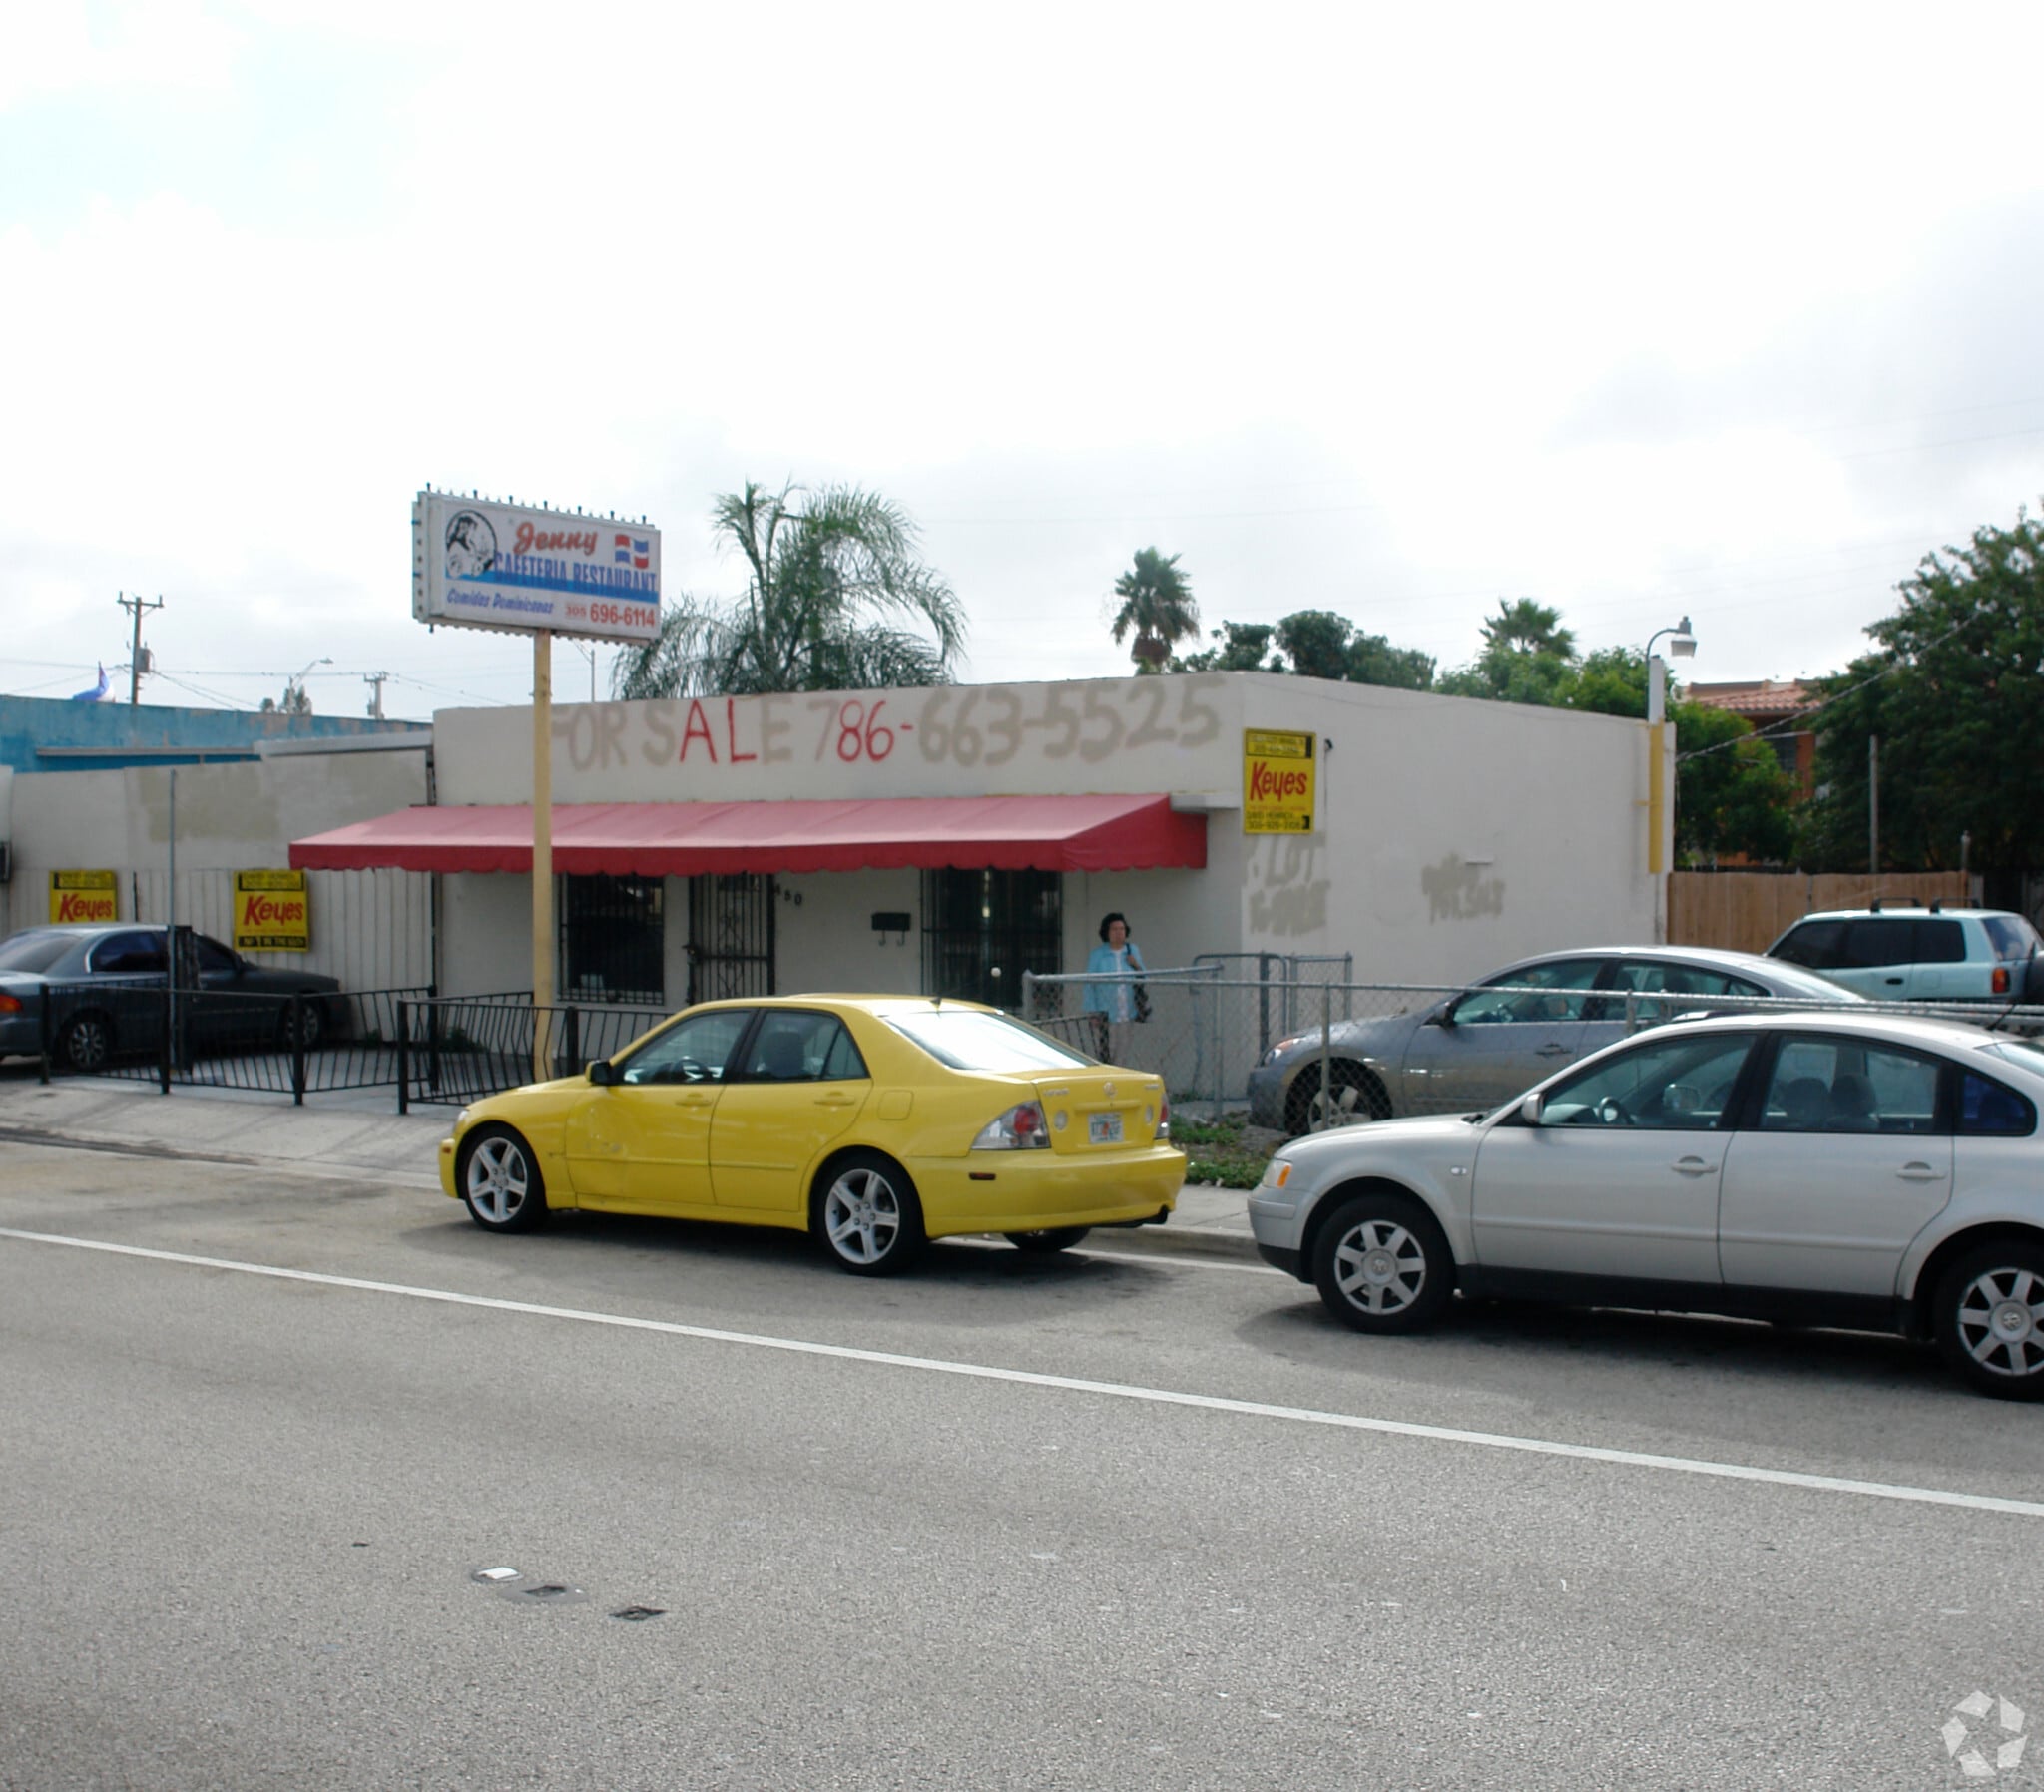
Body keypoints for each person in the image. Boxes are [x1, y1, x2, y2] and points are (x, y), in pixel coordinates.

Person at [1082, 912, 1146, 1065]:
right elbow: (1089, 983)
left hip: (1127, 1011)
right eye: (1114, 929)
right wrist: (1092, 1010)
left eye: (1122, 929)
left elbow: (1143, 975)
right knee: (1105, 1053)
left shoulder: (1132, 950)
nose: (1119, 933)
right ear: (1106, 932)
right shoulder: (1098, 954)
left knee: (1122, 1053)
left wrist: (1135, 964)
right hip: (1105, 1012)